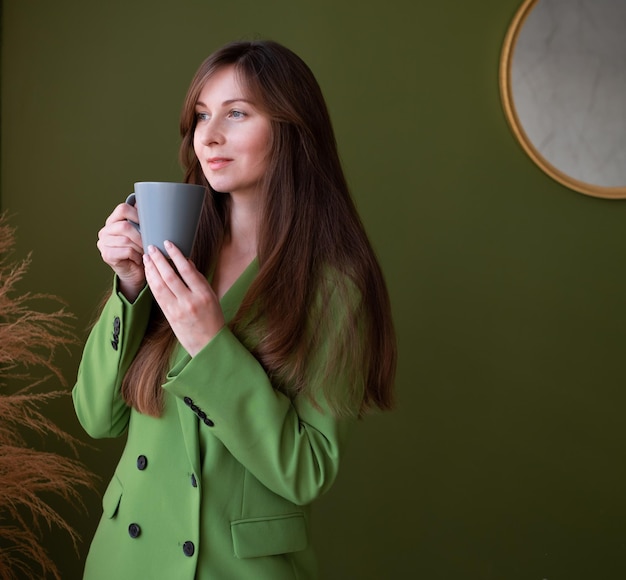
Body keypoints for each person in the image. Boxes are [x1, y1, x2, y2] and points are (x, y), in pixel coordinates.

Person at [72, 39, 397, 579]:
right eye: (201, 116)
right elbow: (96, 417)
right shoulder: (174, 247)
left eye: (237, 113)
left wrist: (210, 344)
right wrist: (127, 288)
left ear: (292, 130)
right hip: (125, 561)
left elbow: (307, 470)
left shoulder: (335, 288)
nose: (209, 136)